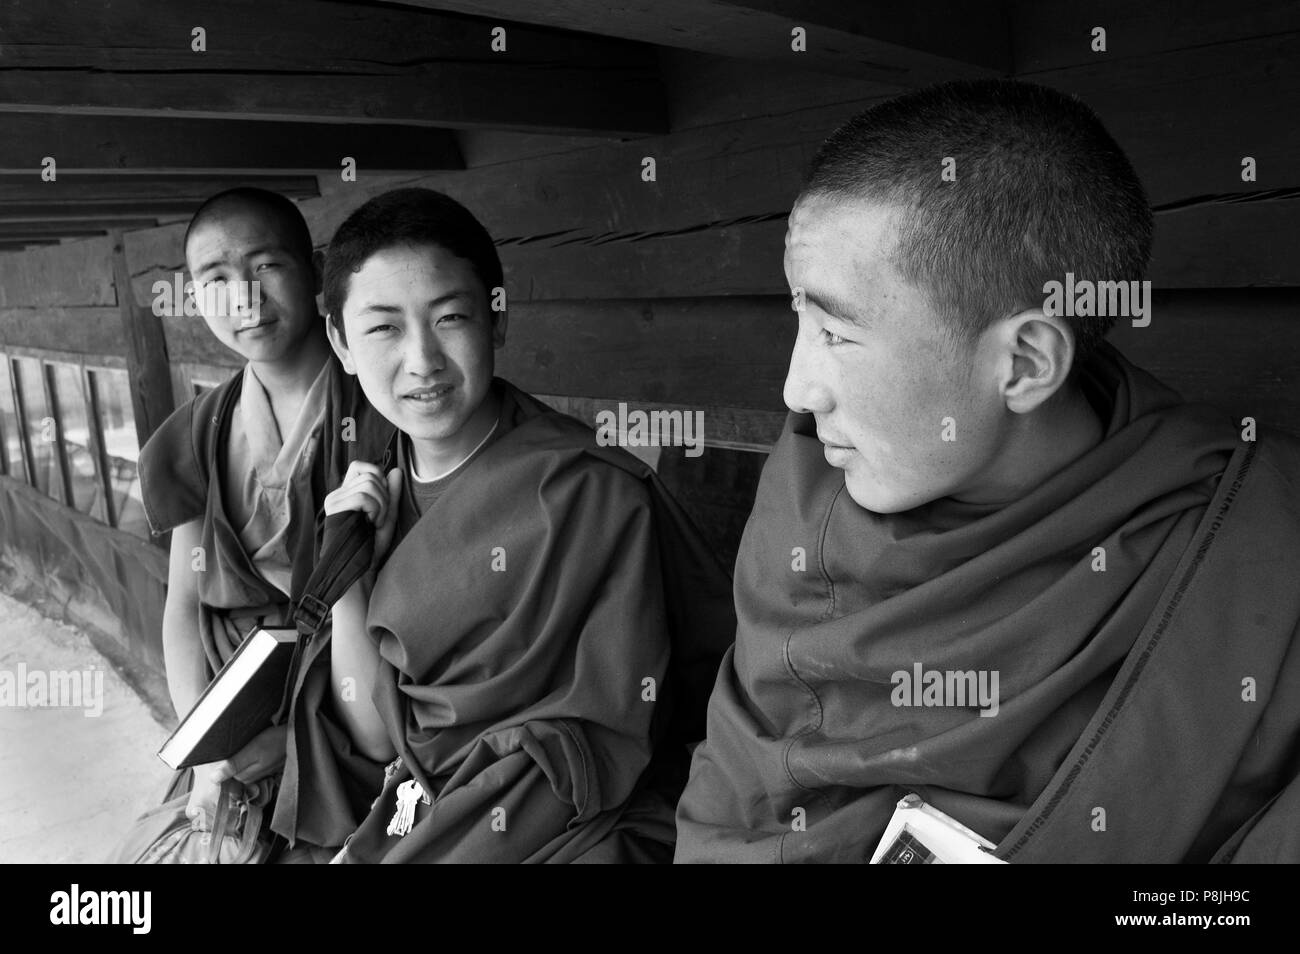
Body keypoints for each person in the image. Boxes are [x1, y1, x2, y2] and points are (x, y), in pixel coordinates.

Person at [674, 79, 1300, 863]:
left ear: (1026, 361)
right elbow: (738, 800)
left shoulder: (1257, 535)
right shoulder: (807, 485)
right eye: (797, 315)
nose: (796, 389)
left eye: (837, 333)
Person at [278, 187, 733, 863]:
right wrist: (350, 578)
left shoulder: (591, 491)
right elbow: (377, 739)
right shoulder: (371, 493)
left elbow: (611, 741)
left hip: (567, 834)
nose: (423, 360)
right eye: (383, 328)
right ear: (340, 344)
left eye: (450, 317)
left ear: (497, 322)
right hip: (423, 811)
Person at [115, 187, 391, 860]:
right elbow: (184, 608)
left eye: (266, 265)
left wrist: (291, 739)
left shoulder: (383, 412)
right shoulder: (197, 433)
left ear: (315, 267)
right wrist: (206, 751)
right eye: (215, 278)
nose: (243, 298)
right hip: (229, 717)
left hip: (356, 706)